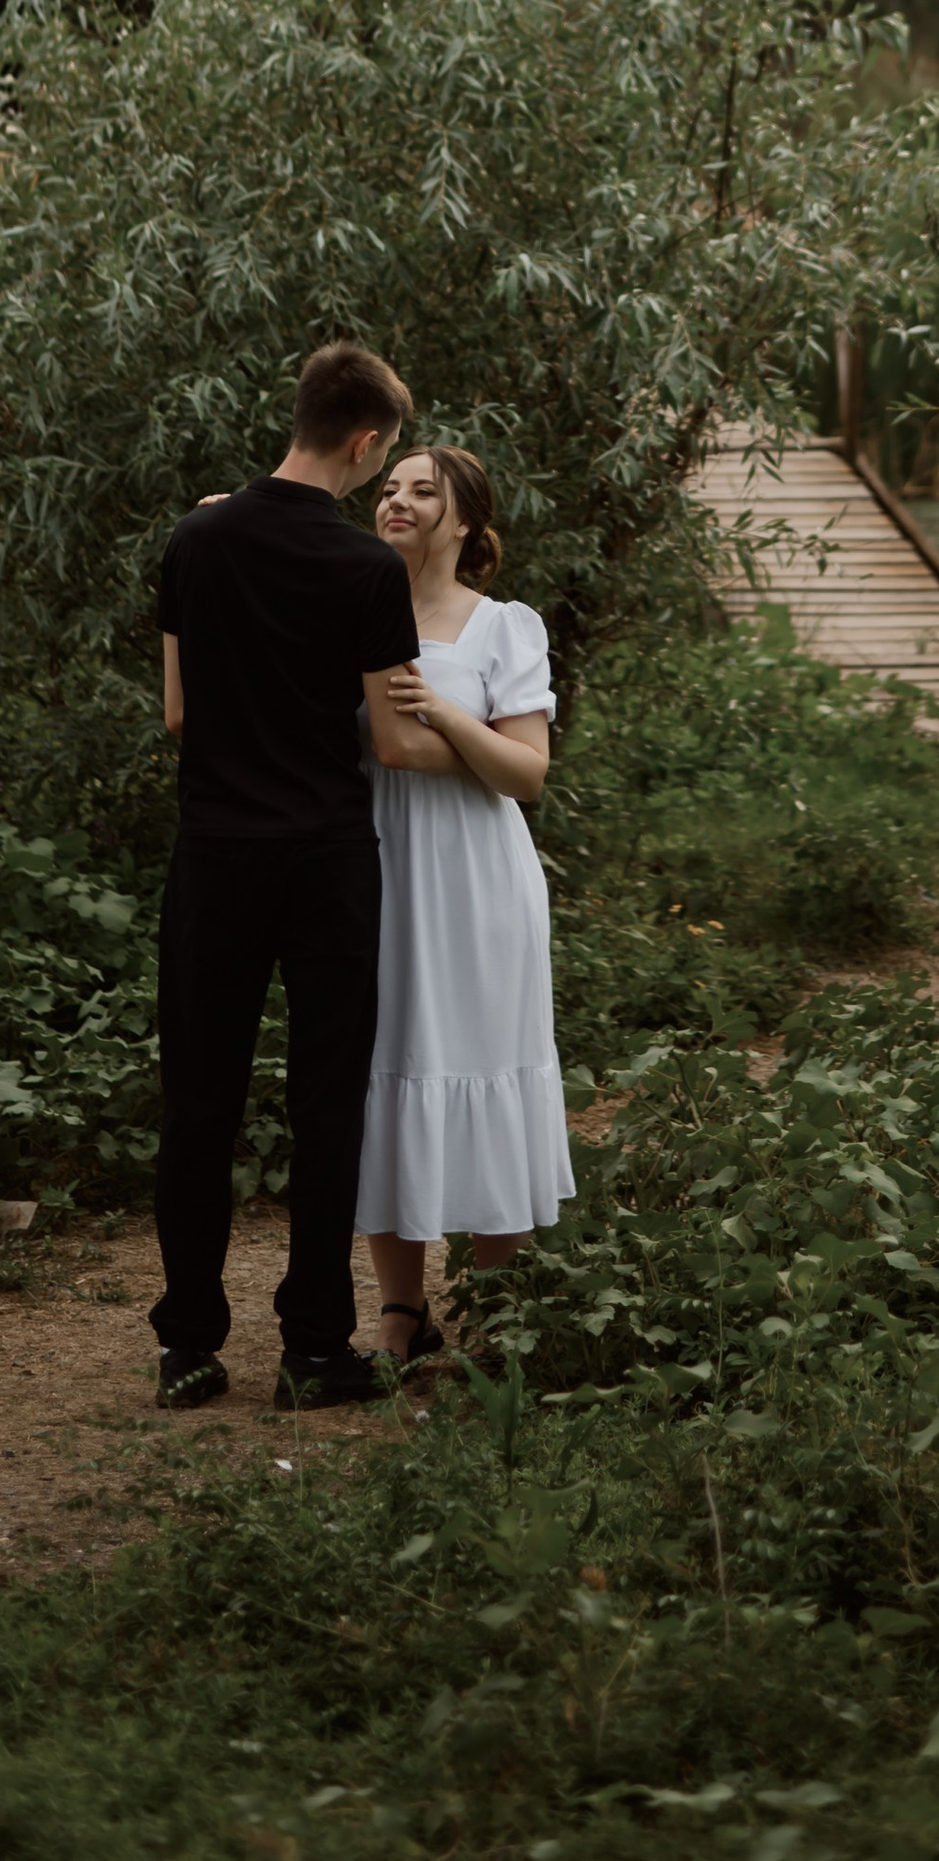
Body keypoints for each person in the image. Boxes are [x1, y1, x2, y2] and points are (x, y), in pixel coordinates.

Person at [148, 339, 422, 1414]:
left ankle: (187, 1346)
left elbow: (177, 714)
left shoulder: (196, 539)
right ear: (363, 441)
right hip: (324, 860)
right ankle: (313, 1348)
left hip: (215, 855)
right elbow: (394, 744)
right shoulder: (366, 570)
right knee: (324, 1104)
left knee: (199, 1103)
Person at [355, 445, 575, 1358]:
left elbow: (526, 774)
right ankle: (403, 1312)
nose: (397, 502)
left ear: (466, 523)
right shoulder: (348, 607)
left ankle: (498, 1307)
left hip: (478, 878)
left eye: (422, 491)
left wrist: (447, 714)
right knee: (389, 1060)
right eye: (388, 488)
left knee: (485, 1058)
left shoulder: (500, 627)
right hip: (377, 866)